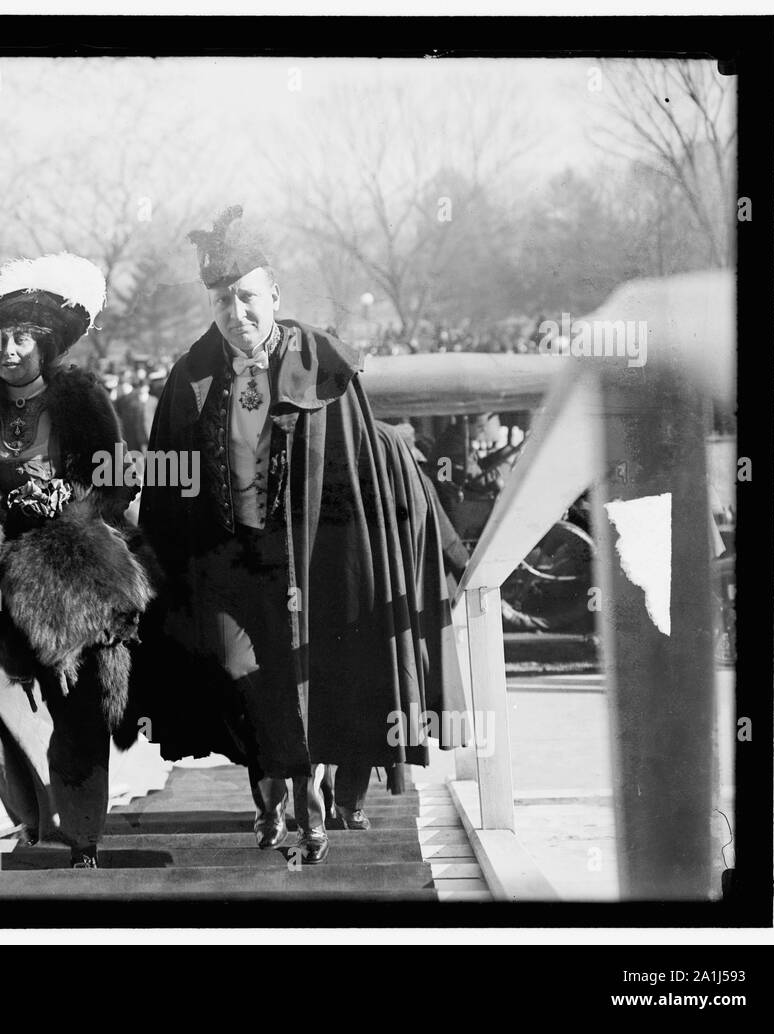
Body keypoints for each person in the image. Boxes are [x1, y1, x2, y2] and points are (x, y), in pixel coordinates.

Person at [137, 205, 465, 864]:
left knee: (315, 679)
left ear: (274, 296)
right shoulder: (190, 376)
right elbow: (167, 486)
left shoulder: (319, 365)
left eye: (248, 297)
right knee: (236, 674)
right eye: (223, 300)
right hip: (228, 563)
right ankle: (272, 791)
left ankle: (311, 803)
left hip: (311, 562)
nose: (237, 312)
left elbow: (361, 463)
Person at [0, 252, 151, 868]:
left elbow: (115, 482)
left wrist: (69, 498)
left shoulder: (81, 398)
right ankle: (36, 823)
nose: (9, 349)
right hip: (0, 579)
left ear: (45, 341)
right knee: (2, 703)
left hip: (72, 573)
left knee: (79, 707)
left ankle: (80, 836)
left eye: (22, 336)